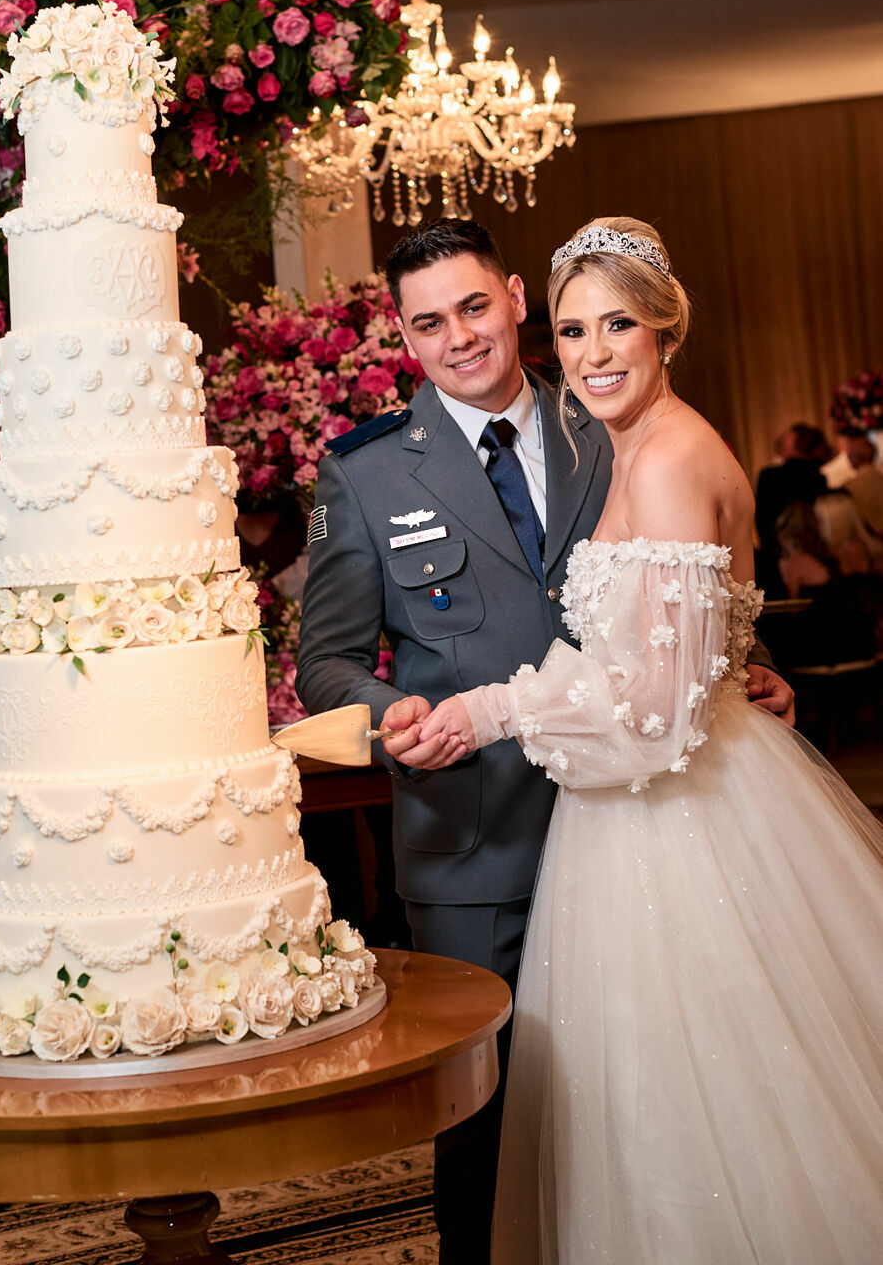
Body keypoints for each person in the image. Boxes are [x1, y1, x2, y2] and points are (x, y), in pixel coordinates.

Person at [296, 218, 792, 1265]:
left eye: (476, 306)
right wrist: (388, 712)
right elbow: (325, 663)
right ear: (404, 334)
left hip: (642, 825)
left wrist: (730, 669)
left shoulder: (608, 410)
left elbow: (677, 599)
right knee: (486, 1123)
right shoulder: (369, 473)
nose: (460, 337)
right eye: (428, 322)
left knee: (656, 1102)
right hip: (478, 842)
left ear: (518, 298)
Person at [398, 218, 883, 1264]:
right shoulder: (627, 445)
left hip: (682, 819)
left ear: (666, 330)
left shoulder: (667, 460)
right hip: (651, 807)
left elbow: (654, 718)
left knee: (705, 1092)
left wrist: (493, 712)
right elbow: (661, 652)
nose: (594, 352)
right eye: (573, 331)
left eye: (619, 324)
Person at [753, 422, 828, 595]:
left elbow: (762, 521)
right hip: (817, 559)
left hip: (776, 562)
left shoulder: (769, 477)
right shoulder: (819, 478)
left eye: (786, 441)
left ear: (794, 445)